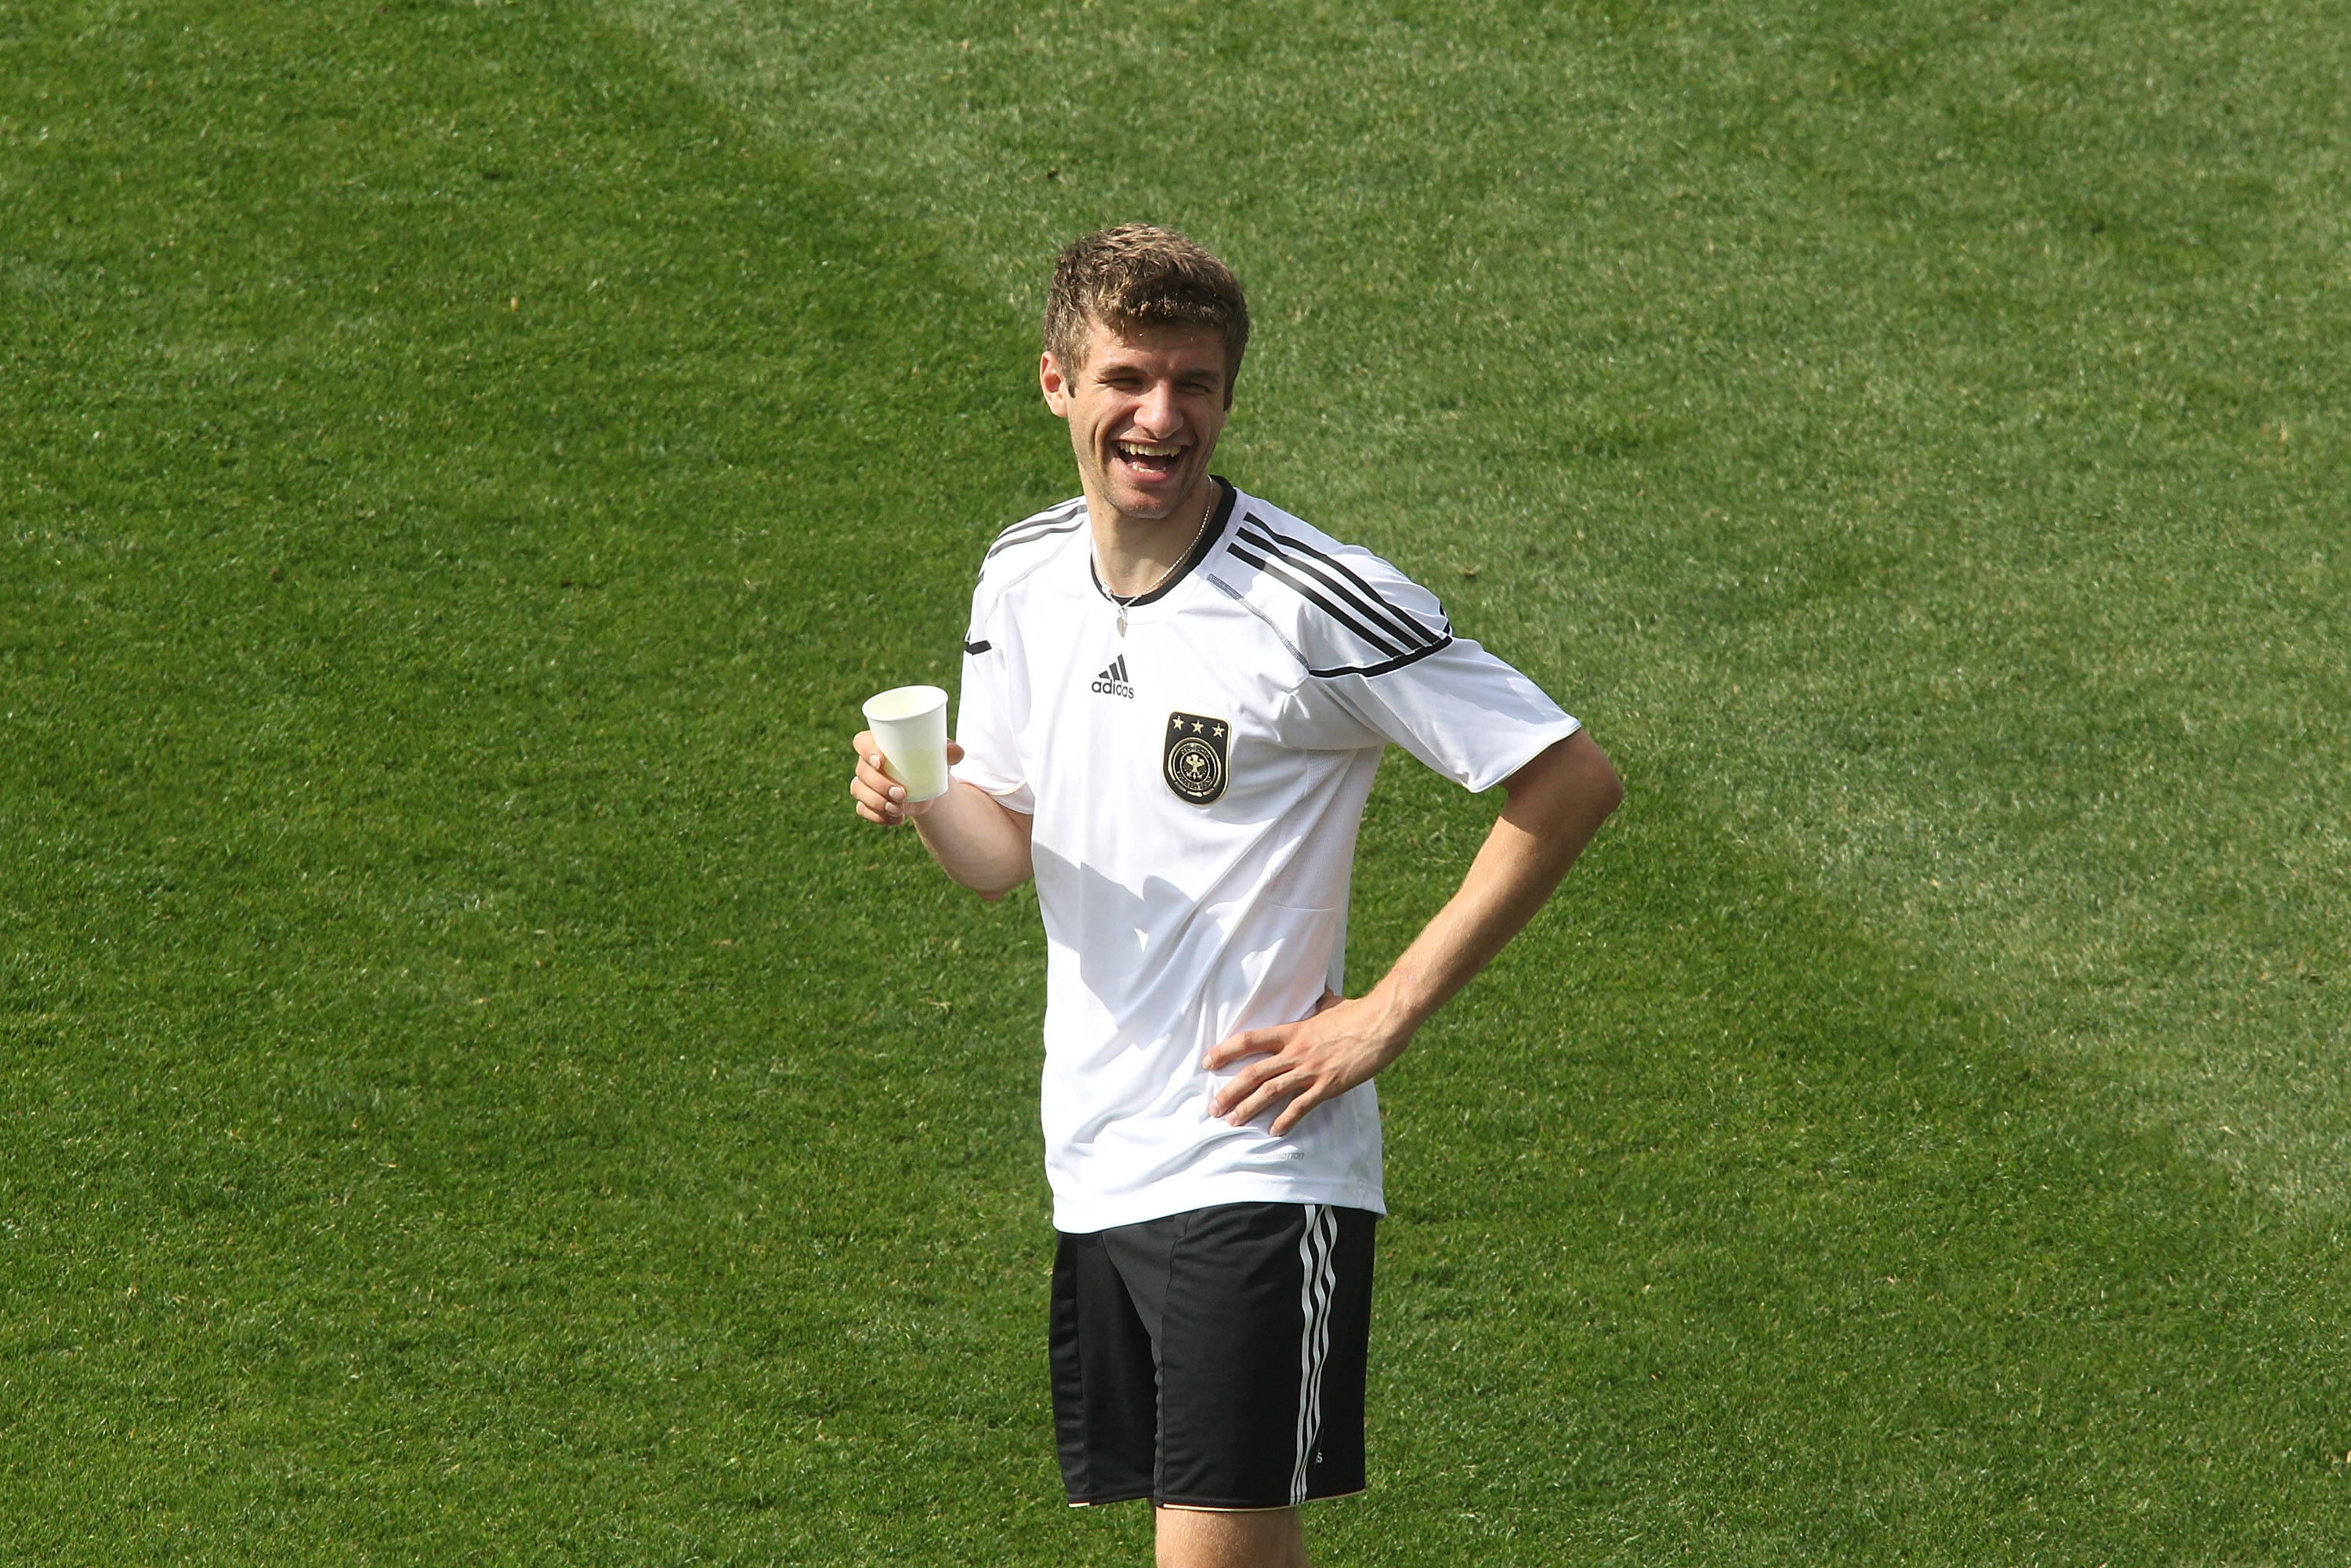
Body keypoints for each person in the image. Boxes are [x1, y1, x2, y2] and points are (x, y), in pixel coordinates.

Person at [848, 225, 1621, 1568]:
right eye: (1130, 378)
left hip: (1258, 1159)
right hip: (1095, 1155)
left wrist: (1380, 1015)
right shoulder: (1021, 574)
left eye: (1193, 383)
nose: (1161, 416)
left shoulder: (1308, 600)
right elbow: (1000, 852)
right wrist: (923, 795)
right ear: (1057, 384)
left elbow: (1568, 779)